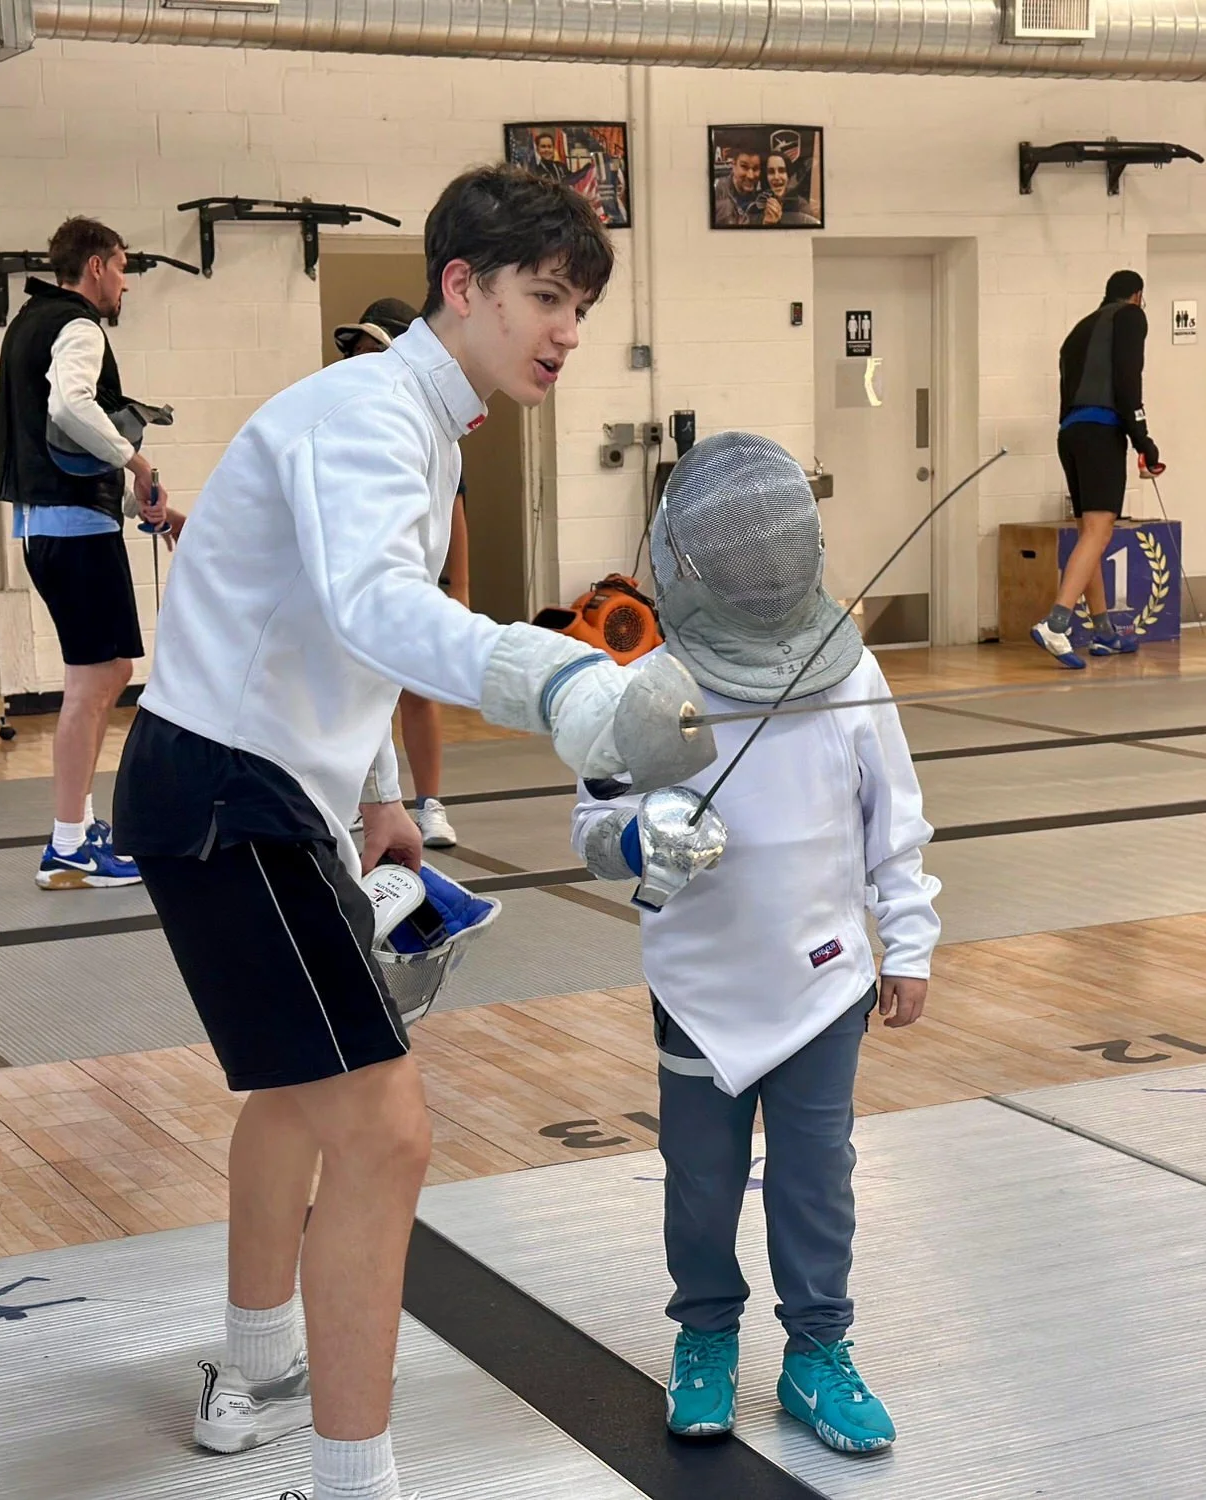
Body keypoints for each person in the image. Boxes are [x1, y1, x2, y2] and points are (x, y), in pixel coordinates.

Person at [111, 165, 712, 1500]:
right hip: (227, 792)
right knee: (385, 1134)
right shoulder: (376, 417)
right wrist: (559, 679)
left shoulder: (421, 422)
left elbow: (339, 626)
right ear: (464, 285)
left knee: (293, 1094)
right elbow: (382, 604)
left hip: (264, 789)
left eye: (579, 304)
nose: (565, 328)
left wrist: (381, 789)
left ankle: (254, 1362)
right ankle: (352, 1480)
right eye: (547, 297)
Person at [572, 431, 940, 1456]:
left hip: (823, 978)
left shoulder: (850, 670)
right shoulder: (642, 679)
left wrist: (905, 942)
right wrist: (641, 835)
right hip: (697, 982)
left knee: (816, 1174)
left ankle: (817, 1352)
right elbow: (592, 825)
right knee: (698, 1175)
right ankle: (704, 1339)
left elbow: (893, 820)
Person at [0, 216, 170, 889]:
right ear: (96, 267)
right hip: (69, 530)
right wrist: (135, 460)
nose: (125, 283)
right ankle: (68, 843)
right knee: (103, 677)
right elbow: (70, 411)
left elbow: (53, 440)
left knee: (98, 674)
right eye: (122, 268)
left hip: (53, 523)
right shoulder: (78, 325)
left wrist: (141, 500)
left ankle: (78, 825)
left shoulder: (30, 323)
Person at [333, 297, 469, 849]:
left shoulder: (431, 428)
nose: (365, 361)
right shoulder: (346, 419)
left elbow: (455, 512)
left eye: (375, 350)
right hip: (360, 585)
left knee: (415, 691)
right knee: (356, 692)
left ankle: (428, 803)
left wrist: (458, 589)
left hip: (412, 581)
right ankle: (361, 802)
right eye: (358, 352)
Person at [1033, 269, 1164, 670]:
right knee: (1100, 529)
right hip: (1101, 431)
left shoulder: (1080, 329)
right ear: (1137, 296)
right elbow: (1129, 380)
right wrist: (1143, 439)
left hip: (1069, 434)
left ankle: (1104, 630)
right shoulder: (1130, 317)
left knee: (1089, 531)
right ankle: (1057, 623)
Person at [713, 144, 769, 226]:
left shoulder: (761, 194)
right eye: (744, 167)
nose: (751, 175)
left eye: (755, 168)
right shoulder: (720, 197)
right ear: (733, 166)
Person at [763, 151, 818, 227]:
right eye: (771, 172)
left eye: (781, 171)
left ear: (788, 175)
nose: (776, 177)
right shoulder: (758, 205)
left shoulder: (801, 206)